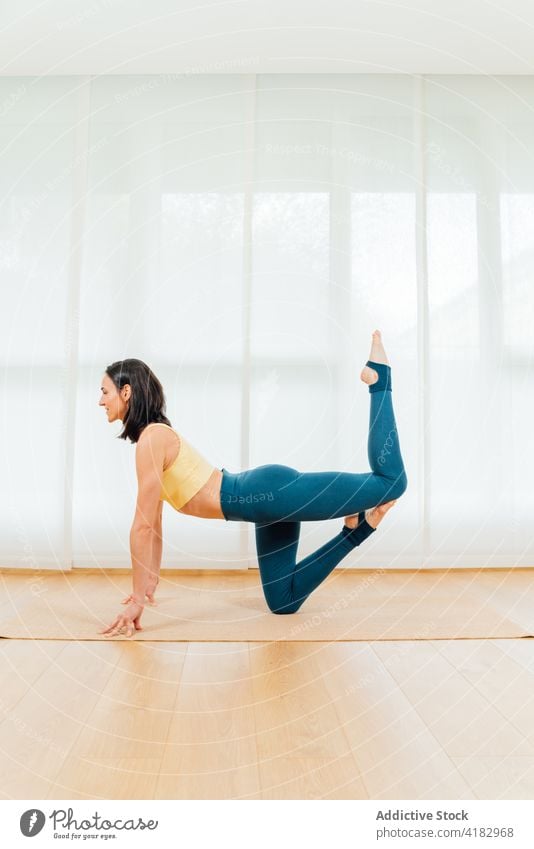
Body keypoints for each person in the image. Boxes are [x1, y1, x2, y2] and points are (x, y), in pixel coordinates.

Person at [99, 331, 407, 637]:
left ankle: (379, 380)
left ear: (126, 392)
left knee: (392, 481)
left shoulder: (152, 439)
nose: (101, 401)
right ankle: (355, 530)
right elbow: (152, 522)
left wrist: (137, 599)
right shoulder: (150, 440)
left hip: (268, 494)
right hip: (261, 505)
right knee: (284, 602)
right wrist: (150, 578)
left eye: (105, 392)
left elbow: (141, 526)